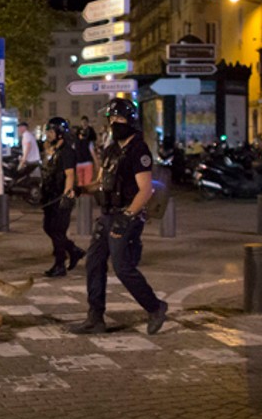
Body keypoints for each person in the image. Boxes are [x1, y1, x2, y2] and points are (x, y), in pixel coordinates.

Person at [70, 98, 168, 336]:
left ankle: (155, 307)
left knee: (123, 267)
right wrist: (80, 189)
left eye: (119, 119)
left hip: (127, 215)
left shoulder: (138, 150)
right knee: (93, 263)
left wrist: (127, 217)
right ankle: (95, 318)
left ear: (130, 121)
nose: (114, 123)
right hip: (107, 215)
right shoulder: (112, 149)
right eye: (111, 119)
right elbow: (101, 182)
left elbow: (146, 190)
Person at [40, 117, 85, 277]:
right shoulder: (50, 150)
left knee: (58, 231)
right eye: (47, 131)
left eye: (51, 131)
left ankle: (60, 265)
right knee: (48, 227)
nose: (48, 134)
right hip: (49, 196)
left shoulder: (67, 152)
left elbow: (70, 174)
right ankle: (73, 250)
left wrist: (66, 195)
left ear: (60, 134)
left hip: (60, 196)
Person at [76, 116, 98, 185]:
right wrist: (96, 163)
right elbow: (92, 151)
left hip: (79, 162)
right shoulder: (87, 141)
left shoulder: (90, 132)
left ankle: (82, 195)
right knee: (87, 183)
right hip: (85, 162)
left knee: (81, 183)